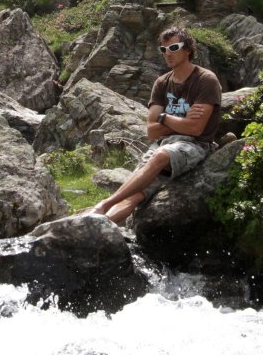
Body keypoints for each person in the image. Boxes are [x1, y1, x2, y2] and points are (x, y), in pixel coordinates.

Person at [91, 26, 224, 225]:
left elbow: (195, 129)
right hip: (161, 144)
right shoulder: (162, 83)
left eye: (174, 47)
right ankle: (94, 225)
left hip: (195, 145)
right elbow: (152, 131)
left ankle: (104, 204)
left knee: (160, 156)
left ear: (188, 49)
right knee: (136, 196)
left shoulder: (206, 80)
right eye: (163, 49)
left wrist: (165, 118)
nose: (168, 53)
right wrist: (178, 119)